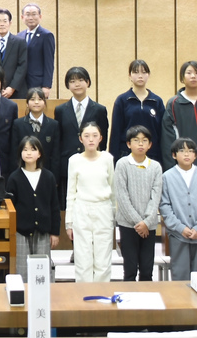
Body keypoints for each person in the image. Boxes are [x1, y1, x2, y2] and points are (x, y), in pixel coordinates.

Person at [65, 122, 115, 283]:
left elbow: (112, 187)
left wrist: (113, 214)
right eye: (86, 136)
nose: (91, 139)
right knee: (83, 258)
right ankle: (83, 298)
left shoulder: (108, 158)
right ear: (80, 139)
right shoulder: (74, 160)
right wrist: (69, 222)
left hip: (103, 208)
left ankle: (101, 299)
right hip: (81, 209)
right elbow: (71, 193)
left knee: (103, 258)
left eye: (94, 136)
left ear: (101, 138)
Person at [159, 137, 197, 281]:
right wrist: (179, 227)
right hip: (178, 235)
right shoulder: (166, 177)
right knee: (180, 275)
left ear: (195, 155)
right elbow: (164, 205)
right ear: (174, 155)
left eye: (190, 151)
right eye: (182, 151)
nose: (186, 154)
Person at [6, 136, 60, 280]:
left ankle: (42, 300)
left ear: (40, 153)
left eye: (33, 149)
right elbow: (10, 206)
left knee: (41, 272)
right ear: (20, 153)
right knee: (21, 271)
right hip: (20, 232)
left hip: (43, 232)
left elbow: (54, 206)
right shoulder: (14, 178)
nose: (28, 153)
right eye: (25, 150)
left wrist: (55, 233)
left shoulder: (48, 177)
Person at [114, 125, 163, 282]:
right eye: (136, 140)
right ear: (129, 144)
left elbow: (156, 196)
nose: (140, 144)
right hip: (128, 225)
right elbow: (122, 196)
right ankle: (129, 303)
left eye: (144, 141)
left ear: (150, 144)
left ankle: (146, 304)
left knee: (147, 270)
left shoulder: (155, 167)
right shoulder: (122, 164)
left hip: (149, 226)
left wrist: (147, 222)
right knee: (130, 269)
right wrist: (138, 222)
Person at [54, 66, 109, 203]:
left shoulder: (99, 109)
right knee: (69, 204)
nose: (77, 84)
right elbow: (58, 139)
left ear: (88, 82)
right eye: (72, 81)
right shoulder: (60, 110)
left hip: (92, 163)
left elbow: (103, 139)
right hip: (67, 164)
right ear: (67, 85)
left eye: (80, 80)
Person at [109, 60, 165, 164]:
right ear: (130, 75)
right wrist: (114, 159)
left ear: (148, 75)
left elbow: (162, 133)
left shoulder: (157, 101)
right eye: (136, 72)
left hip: (152, 156)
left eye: (144, 72)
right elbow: (115, 132)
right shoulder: (122, 100)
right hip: (127, 155)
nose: (140, 76)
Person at [11, 87, 61, 193]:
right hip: (23, 173)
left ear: (45, 102)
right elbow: (14, 152)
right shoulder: (18, 124)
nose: (36, 102)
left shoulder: (53, 125)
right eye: (32, 99)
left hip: (46, 175)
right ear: (27, 103)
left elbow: (55, 155)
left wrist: (55, 178)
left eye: (40, 99)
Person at [17, 3, 55, 97]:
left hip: (38, 83)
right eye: (28, 14)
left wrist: (46, 86)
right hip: (21, 83)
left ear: (40, 16)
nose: (31, 17)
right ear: (22, 17)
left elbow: (49, 62)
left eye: (34, 14)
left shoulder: (46, 35)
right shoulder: (19, 36)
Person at [0, 8, 28, 99]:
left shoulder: (20, 42)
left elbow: (22, 66)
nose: (2, 24)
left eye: (5, 21)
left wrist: (12, 87)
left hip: (17, 91)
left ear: (10, 23)